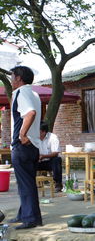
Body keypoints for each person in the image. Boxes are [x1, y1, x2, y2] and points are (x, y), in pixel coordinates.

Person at [8, 66, 42, 229]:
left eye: (12, 77)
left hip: (22, 146)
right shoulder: (34, 93)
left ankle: (30, 219)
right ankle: (25, 214)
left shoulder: (21, 93)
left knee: (26, 184)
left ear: (19, 78)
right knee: (26, 183)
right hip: (33, 146)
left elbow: (30, 113)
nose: (11, 80)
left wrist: (22, 135)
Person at [37, 122, 63, 192]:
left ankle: (58, 184)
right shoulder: (34, 138)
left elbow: (56, 153)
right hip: (38, 161)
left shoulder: (53, 137)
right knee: (27, 161)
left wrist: (43, 156)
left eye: (38, 131)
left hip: (49, 162)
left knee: (57, 160)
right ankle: (29, 184)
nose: (36, 133)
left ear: (44, 132)